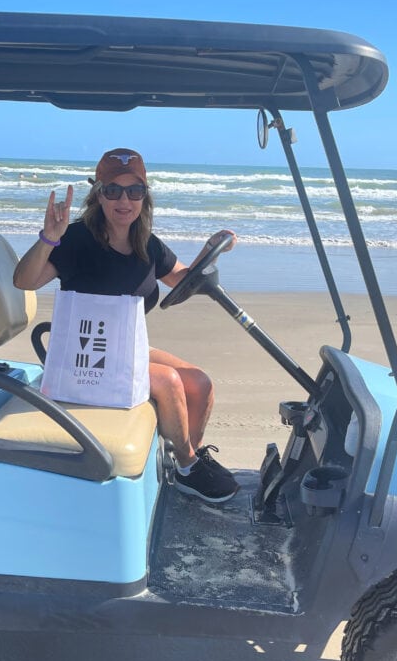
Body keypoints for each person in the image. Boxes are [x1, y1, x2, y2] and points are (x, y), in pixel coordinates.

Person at [13, 148, 240, 503]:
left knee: (199, 382)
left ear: (144, 197)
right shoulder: (76, 239)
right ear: (98, 194)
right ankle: (187, 463)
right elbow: (24, 281)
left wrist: (211, 248)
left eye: (134, 191)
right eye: (113, 190)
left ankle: (188, 463)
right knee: (168, 381)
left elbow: (182, 278)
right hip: (86, 357)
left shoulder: (145, 243)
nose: (124, 200)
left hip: (122, 350)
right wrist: (49, 237)